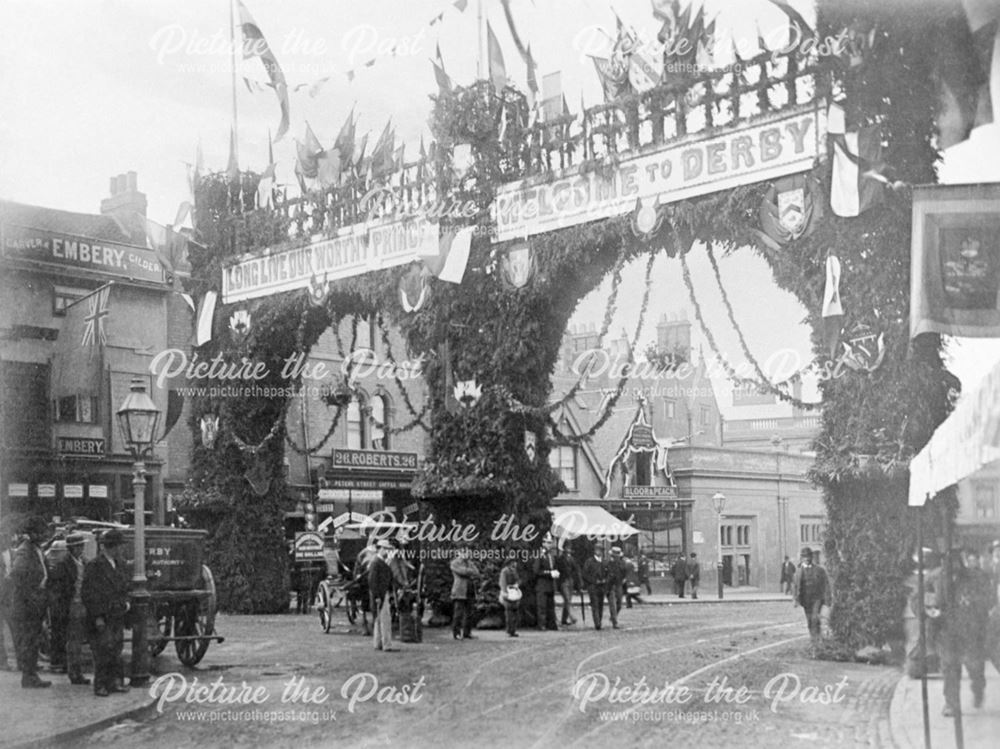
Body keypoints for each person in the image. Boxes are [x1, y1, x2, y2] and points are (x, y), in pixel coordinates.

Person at [937, 548, 995, 716]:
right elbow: (920, 598)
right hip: (948, 632)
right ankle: (951, 704)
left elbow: (989, 599)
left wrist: (979, 614)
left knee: (975, 667)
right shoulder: (937, 578)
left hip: (971, 631)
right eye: (947, 562)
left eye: (955, 561)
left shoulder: (975, 578)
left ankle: (978, 689)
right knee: (949, 667)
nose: (951, 566)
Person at [82, 529, 131, 696]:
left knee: (116, 649)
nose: (122, 549)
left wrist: (127, 604)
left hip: (117, 613)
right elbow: (89, 594)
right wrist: (97, 617)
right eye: (119, 546)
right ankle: (101, 684)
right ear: (112, 547)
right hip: (102, 615)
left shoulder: (121, 564)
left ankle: (115, 682)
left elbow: (126, 587)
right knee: (102, 651)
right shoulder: (94, 565)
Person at [9, 516, 52, 688]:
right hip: (28, 605)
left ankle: (32, 674)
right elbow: (17, 575)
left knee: (33, 640)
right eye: (40, 532)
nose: (43, 535)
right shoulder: (25, 550)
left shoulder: (36, 549)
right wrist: (32, 594)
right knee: (29, 640)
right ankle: (29, 676)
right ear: (32, 533)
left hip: (36, 602)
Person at [47, 532, 90, 685]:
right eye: (79, 546)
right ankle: (75, 673)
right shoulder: (63, 565)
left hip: (82, 604)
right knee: (74, 641)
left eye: (82, 546)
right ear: (72, 548)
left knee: (78, 640)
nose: (81, 549)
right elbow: (57, 590)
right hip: (71, 606)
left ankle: (76, 671)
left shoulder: (83, 561)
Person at [792, 547, 831, 652]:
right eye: (805, 557)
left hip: (817, 598)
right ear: (802, 558)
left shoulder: (819, 570)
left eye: (808, 556)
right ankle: (813, 638)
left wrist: (827, 599)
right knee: (810, 620)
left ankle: (816, 639)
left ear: (812, 557)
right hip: (806, 600)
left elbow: (826, 584)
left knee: (814, 618)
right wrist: (795, 599)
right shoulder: (798, 572)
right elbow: (795, 587)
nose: (807, 559)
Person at [368, 540, 398, 652]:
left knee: (378, 619)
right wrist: (377, 596)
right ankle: (387, 644)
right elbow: (372, 581)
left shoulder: (379, 562)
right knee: (385, 620)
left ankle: (378, 643)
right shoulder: (376, 563)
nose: (387, 551)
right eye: (386, 549)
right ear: (381, 549)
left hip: (381, 593)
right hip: (380, 594)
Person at [450, 546, 480, 640]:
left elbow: (477, 572)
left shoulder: (470, 563)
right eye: (464, 552)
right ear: (459, 553)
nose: (466, 554)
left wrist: (469, 571)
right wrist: (469, 571)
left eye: (467, 552)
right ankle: (456, 633)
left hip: (470, 590)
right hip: (459, 590)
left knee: (469, 613)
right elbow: (461, 572)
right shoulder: (455, 563)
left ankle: (467, 632)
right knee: (458, 613)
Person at [531, 540, 560, 631]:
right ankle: (542, 625)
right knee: (542, 606)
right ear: (543, 543)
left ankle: (551, 624)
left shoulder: (551, 556)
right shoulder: (539, 555)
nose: (549, 545)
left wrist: (555, 572)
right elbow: (536, 571)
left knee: (551, 606)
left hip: (550, 585)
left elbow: (553, 567)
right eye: (547, 542)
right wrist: (549, 573)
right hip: (542, 585)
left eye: (550, 542)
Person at [0, 528, 16, 671]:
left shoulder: (13, 553)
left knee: (16, 629)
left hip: (11, 598)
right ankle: (2, 661)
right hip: (1, 597)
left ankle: (23, 660)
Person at [582, 547, 608, 630]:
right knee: (595, 605)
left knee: (600, 605)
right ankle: (597, 623)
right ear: (594, 551)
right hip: (593, 586)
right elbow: (585, 574)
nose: (599, 552)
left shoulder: (604, 562)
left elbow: (608, 573)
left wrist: (605, 580)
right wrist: (593, 581)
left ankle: (599, 620)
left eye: (600, 550)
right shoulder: (589, 562)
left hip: (602, 586)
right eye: (597, 550)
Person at [498, 553, 521, 638]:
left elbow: (518, 580)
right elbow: (502, 582)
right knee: (509, 613)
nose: (515, 563)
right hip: (507, 593)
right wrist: (504, 592)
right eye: (514, 562)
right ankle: (509, 630)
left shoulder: (514, 571)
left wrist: (517, 584)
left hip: (514, 592)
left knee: (514, 612)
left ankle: (513, 630)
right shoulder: (505, 571)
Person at [555, 545, 580, 625]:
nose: (568, 550)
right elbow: (557, 570)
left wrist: (577, 583)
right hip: (563, 581)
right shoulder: (560, 559)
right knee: (567, 599)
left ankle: (564, 619)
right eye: (567, 548)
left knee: (568, 600)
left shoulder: (572, 559)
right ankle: (571, 616)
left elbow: (576, 569)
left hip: (570, 580)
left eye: (569, 549)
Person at [606, 546, 626, 629]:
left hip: (619, 585)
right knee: (613, 605)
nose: (616, 557)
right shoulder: (608, 564)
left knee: (619, 604)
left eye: (617, 555)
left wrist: (623, 580)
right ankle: (615, 622)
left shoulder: (622, 563)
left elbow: (624, 573)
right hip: (611, 586)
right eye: (614, 556)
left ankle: (613, 617)